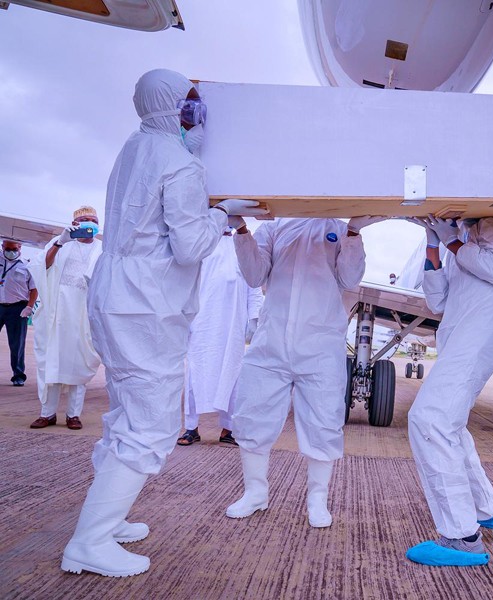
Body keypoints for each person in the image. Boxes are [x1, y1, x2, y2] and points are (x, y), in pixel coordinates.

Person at [61, 68, 267, 579]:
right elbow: (193, 245)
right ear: (179, 110)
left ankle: (106, 520)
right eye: (191, 108)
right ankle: (88, 541)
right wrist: (222, 214)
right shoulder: (180, 164)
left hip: (114, 294)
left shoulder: (133, 148)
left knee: (125, 413)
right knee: (151, 423)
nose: (196, 118)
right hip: (146, 305)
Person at [225, 215, 383, 528]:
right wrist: (242, 230)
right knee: (252, 414)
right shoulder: (273, 227)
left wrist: (354, 231)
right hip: (271, 341)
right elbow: (255, 276)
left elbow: (351, 279)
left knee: (324, 422)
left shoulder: (337, 229)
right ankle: (255, 492)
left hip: (321, 344)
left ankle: (317, 500)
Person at [404, 214, 493, 567]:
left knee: (429, 420)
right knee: (450, 424)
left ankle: (461, 537)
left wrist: (452, 242)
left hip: (480, 335)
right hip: (459, 338)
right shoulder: (460, 237)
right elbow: (437, 302)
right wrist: (433, 243)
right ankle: (489, 509)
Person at [178, 230, 263, 447]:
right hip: (203, 321)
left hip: (233, 324)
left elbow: (254, 286)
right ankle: (191, 428)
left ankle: (229, 429)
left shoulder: (243, 246)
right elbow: (187, 283)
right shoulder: (203, 243)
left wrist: (254, 319)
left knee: (233, 376)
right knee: (195, 375)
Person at [29, 206, 103, 430]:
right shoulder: (59, 242)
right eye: (83, 220)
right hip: (57, 312)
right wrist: (61, 242)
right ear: (74, 224)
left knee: (78, 363)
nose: (88, 222)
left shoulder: (104, 248)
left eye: (92, 219)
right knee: (52, 363)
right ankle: (47, 414)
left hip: (84, 314)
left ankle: (73, 415)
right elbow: (43, 266)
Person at [1, 239, 37, 387]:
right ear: (2, 246)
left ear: (20, 247)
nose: (11, 251)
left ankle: (18, 375)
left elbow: (34, 289)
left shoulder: (28, 265)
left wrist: (29, 306)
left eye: (14, 249)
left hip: (18, 307)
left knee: (17, 344)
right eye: (8, 248)